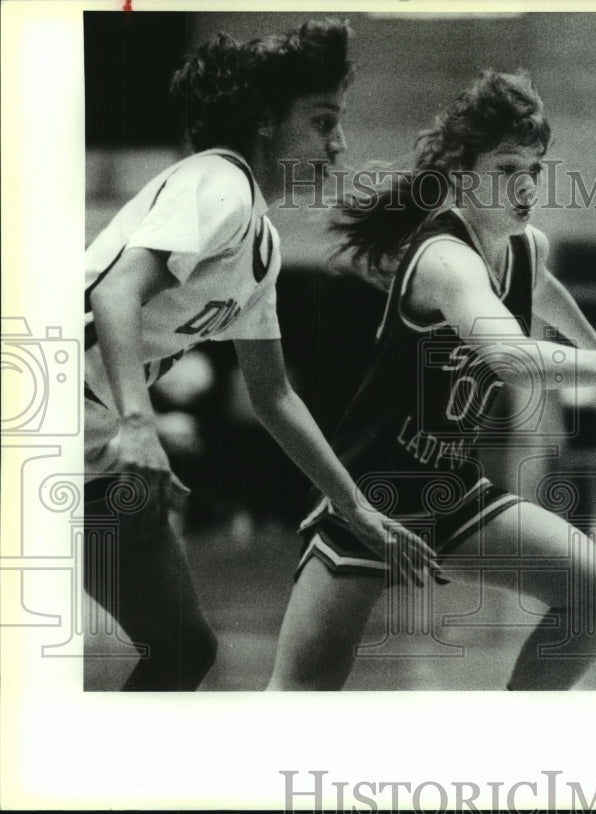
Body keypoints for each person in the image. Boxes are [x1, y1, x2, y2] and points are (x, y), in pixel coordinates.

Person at [268, 70, 596, 691]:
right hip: (373, 498)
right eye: (507, 168)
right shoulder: (446, 259)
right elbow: (509, 356)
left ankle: (509, 749)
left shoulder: (525, 245)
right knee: (301, 693)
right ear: (462, 170)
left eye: (534, 168)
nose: (527, 185)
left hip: (451, 493)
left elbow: (546, 293)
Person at [83, 20, 435, 691]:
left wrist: (355, 507)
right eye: (324, 121)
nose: (341, 144)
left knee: (182, 648)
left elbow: (274, 396)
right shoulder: (220, 181)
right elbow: (117, 292)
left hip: (97, 435)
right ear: (266, 121)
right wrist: (139, 426)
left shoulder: (262, 246)